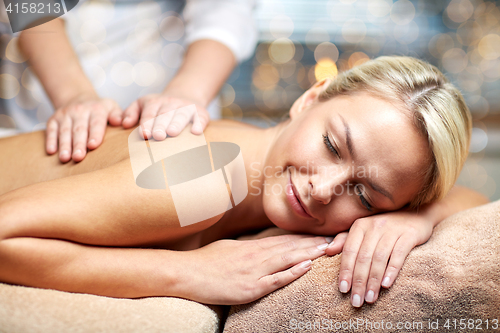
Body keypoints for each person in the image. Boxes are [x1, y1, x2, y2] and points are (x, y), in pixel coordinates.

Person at [0, 56, 489, 307]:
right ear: (310, 99)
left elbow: (477, 200)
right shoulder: (210, 179)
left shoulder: (251, 172)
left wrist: (416, 219)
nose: (323, 188)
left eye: (362, 193)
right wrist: (190, 275)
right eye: (333, 147)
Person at [1, 0, 256, 162]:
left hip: (178, 108)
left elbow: (226, 11)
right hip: (43, 108)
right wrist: (73, 97)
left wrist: (188, 93)